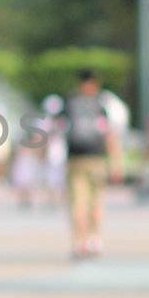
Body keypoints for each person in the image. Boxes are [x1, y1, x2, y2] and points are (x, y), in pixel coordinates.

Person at [64, 68, 121, 258]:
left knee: (77, 203)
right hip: (96, 159)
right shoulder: (100, 105)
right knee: (96, 201)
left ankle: (78, 242)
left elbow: (57, 130)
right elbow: (109, 135)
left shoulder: (70, 102)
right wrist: (115, 162)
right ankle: (94, 239)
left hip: (75, 160)